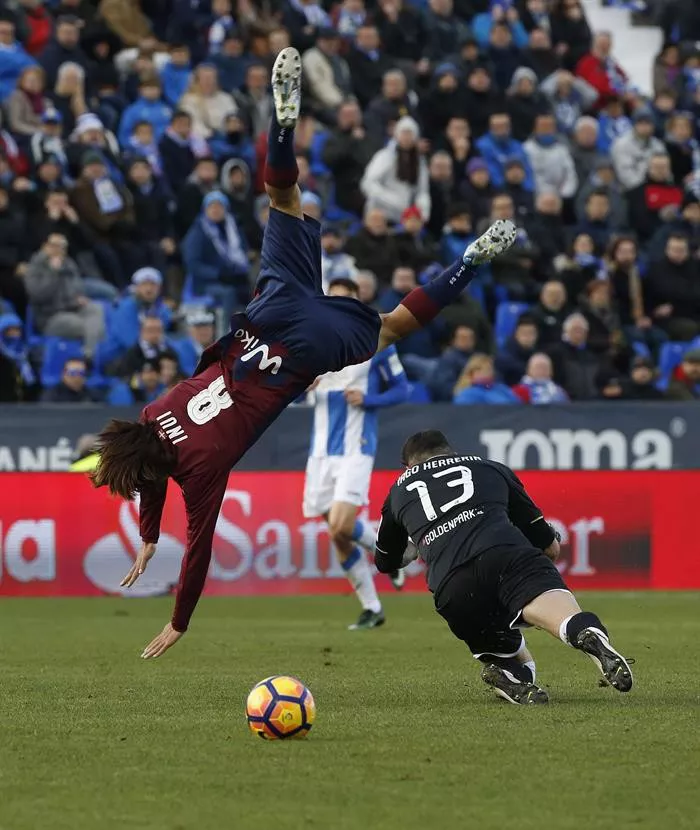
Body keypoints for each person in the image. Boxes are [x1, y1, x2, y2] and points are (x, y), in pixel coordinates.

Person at [90, 48, 518, 659]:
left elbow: (200, 550)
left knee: (393, 326)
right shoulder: (156, 412)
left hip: (300, 352)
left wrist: (179, 619)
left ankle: (469, 262)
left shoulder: (200, 471)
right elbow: (150, 460)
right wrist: (148, 534)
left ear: (152, 470)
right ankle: (282, 123)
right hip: (268, 314)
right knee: (282, 199)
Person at [373, 429, 634, 704]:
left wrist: (416, 545)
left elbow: (385, 561)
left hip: (452, 585)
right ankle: (583, 633)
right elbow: (549, 548)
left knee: (513, 660)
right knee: (567, 620)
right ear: (450, 451)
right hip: (506, 554)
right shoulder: (488, 467)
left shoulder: (398, 491)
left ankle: (510, 676)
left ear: (407, 466)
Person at [303, 273, 410, 630]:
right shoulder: (311, 344)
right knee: (336, 533)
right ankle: (372, 607)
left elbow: (402, 390)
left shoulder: (377, 342)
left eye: (345, 300)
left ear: (355, 304)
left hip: (356, 447)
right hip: (320, 452)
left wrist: (370, 398)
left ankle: (391, 555)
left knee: (342, 525)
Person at [453, 354, 521, 405]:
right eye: (482, 370)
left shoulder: (502, 388)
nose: (487, 373)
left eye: (489, 369)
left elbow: (519, 406)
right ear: (472, 373)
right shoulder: (467, 394)